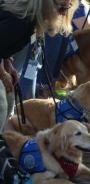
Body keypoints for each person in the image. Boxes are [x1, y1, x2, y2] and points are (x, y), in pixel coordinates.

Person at [0, 0, 79, 132]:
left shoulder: (32, 21)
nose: (64, 13)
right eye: (61, 8)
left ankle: (3, 137)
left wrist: (8, 64)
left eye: (67, 8)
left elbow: (4, 46)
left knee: (10, 96)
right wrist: (3, 74)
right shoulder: (21, 20)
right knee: (1, 105)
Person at [37, 0, 90, 99]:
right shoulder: (80, 7)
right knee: (50, 58)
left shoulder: (82, 5)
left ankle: (51, 92)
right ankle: (44, 95)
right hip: (53, 20)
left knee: (57, 59)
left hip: (65, 24)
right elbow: (88, 27)